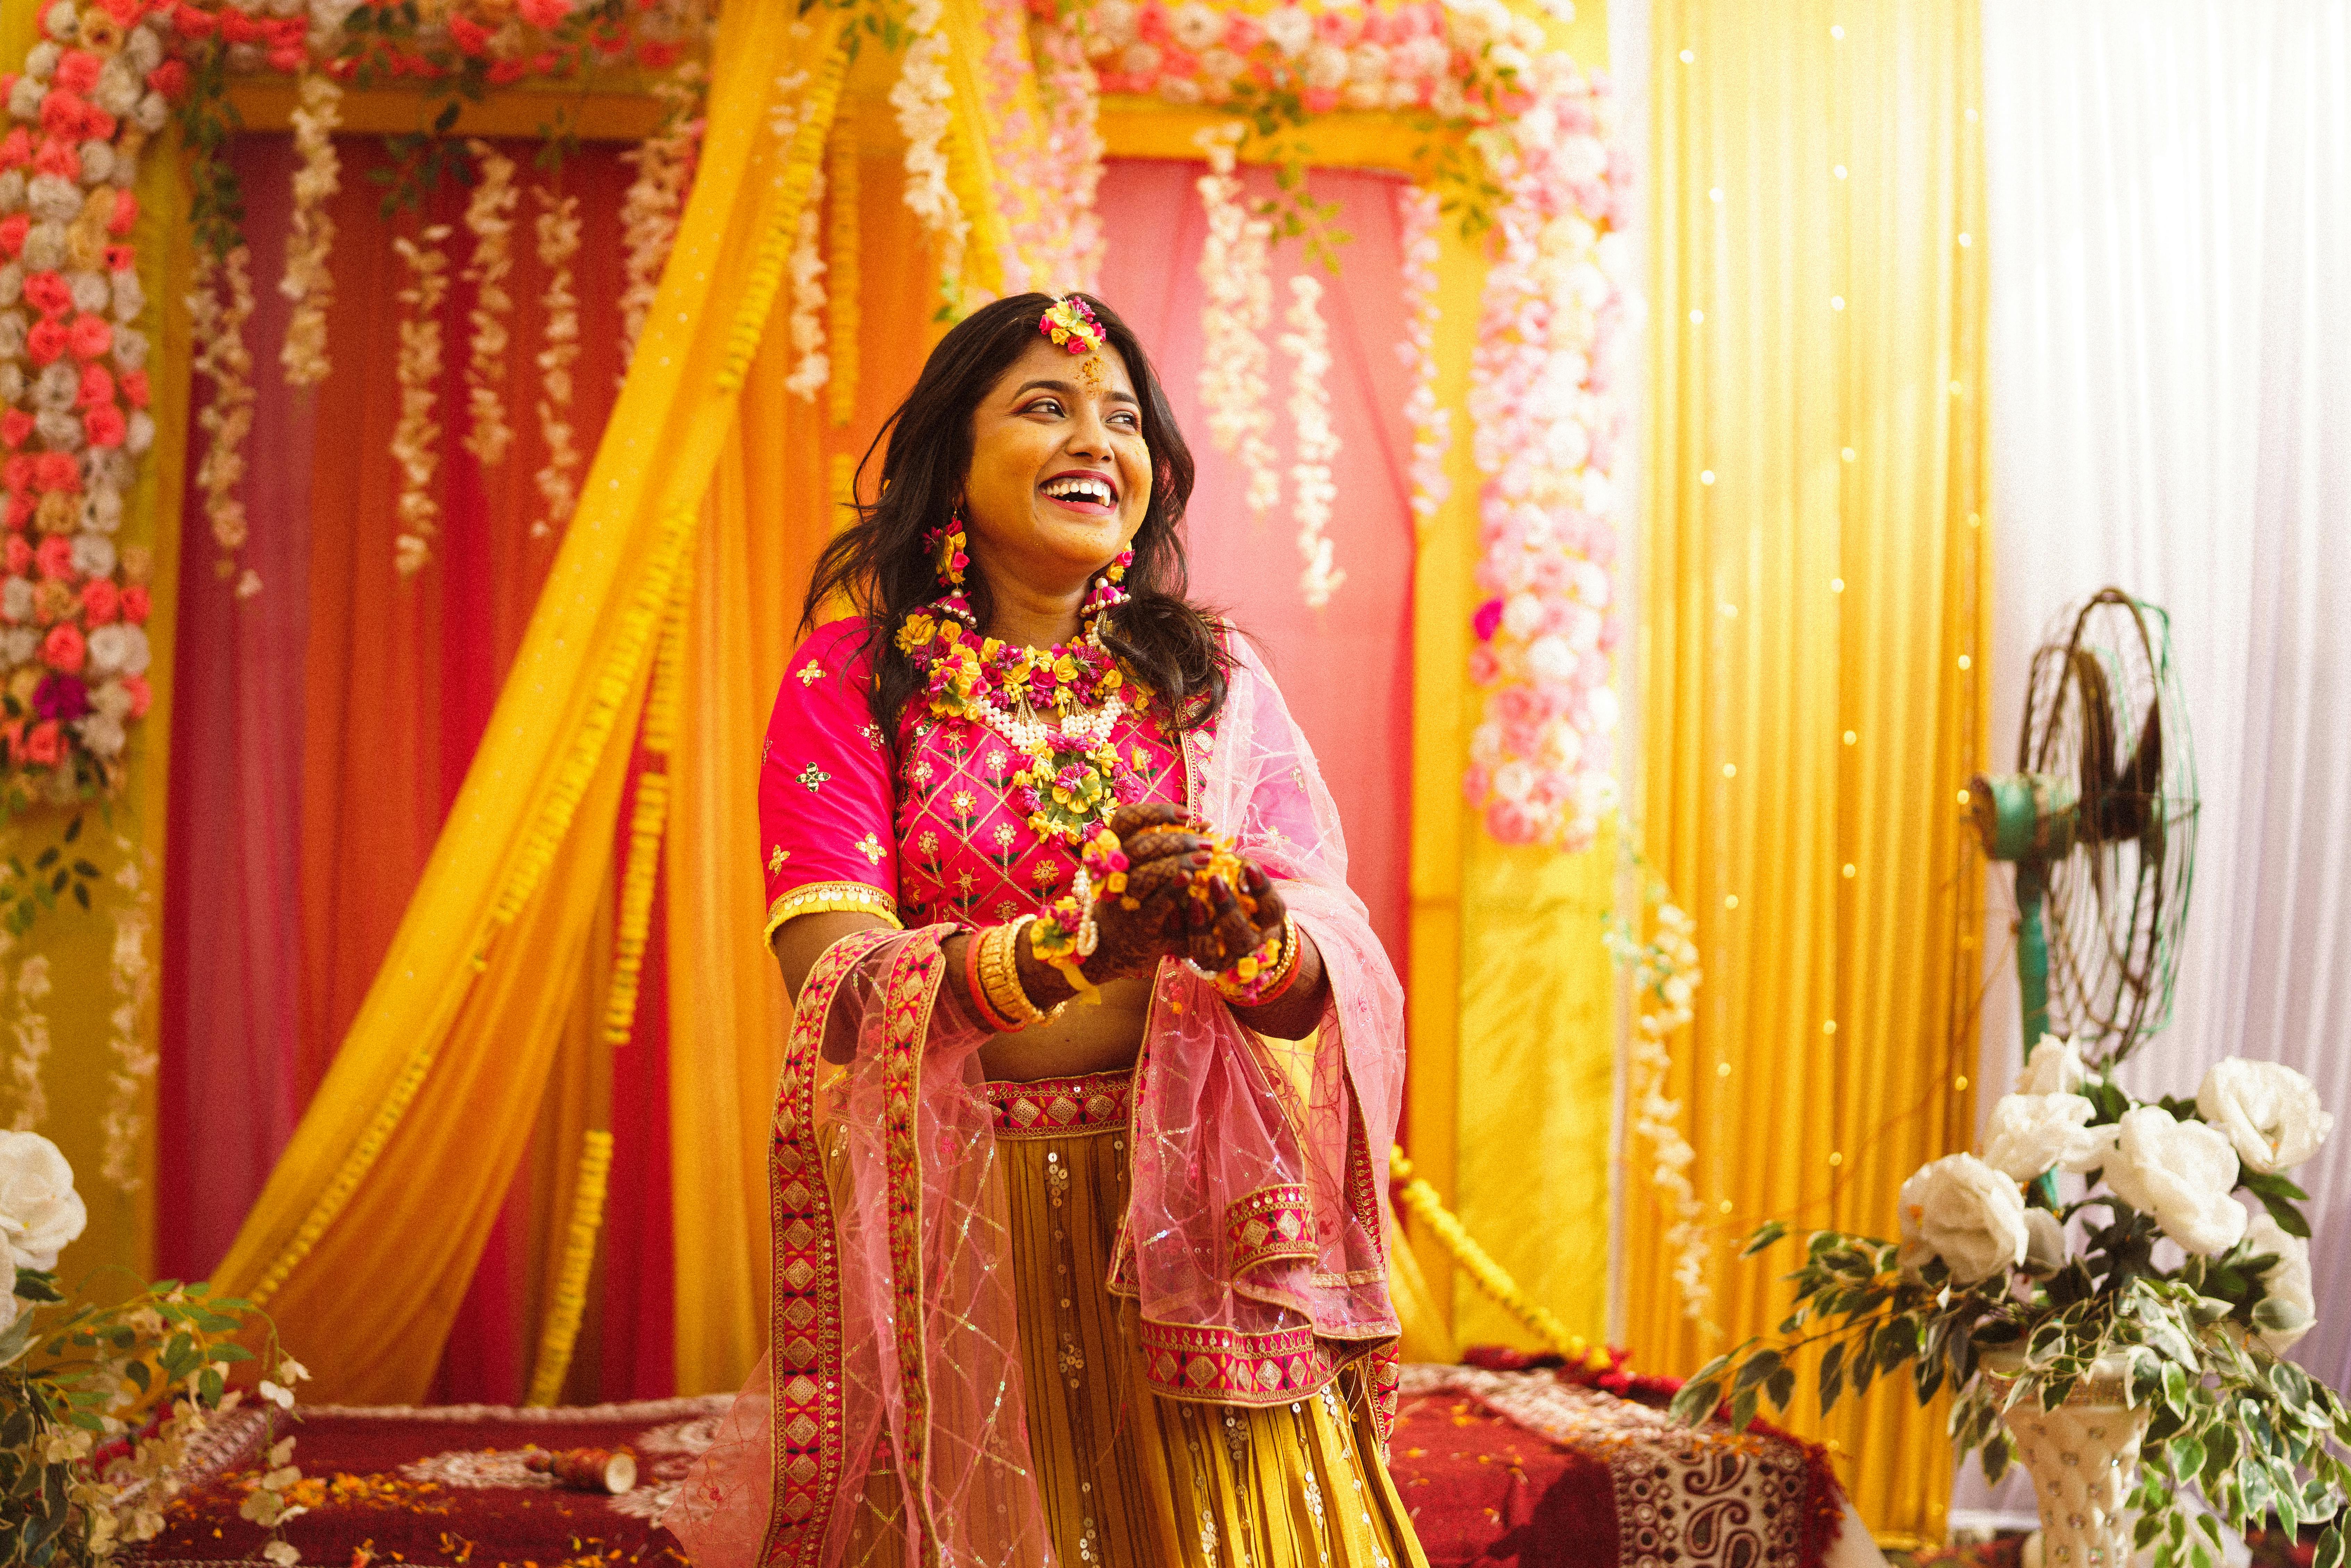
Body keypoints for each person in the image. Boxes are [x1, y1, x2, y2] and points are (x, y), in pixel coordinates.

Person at [666, 293, 1422, 1568]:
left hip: (1191, 1238)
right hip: (966, 1237)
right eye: (1045, 407)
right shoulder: (854, 681)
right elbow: (838, 985)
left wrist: (1247, 933)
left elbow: (1319, 959)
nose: (1095, 441)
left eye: (1123, 418)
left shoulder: (1209, 679)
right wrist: (1078, 951)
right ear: (951, 462)